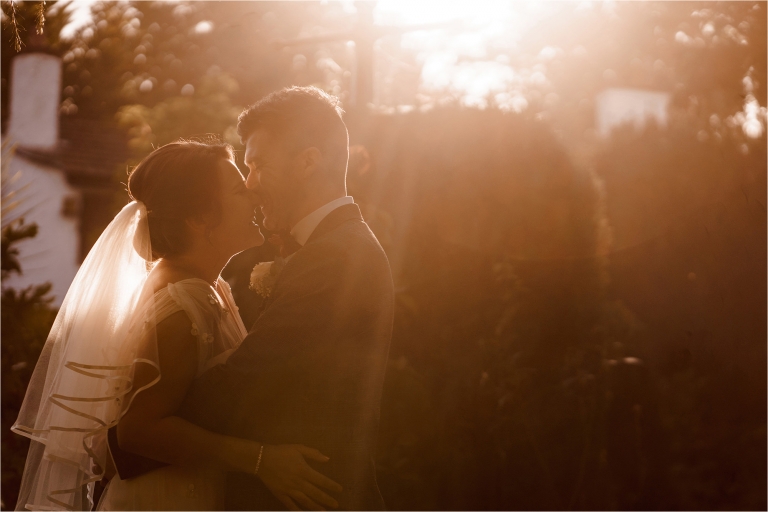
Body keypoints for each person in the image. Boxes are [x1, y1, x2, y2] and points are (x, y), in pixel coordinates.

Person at [12, 139, 341, 511]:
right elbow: (138, 431)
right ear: (199, 218)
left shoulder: (208, 287)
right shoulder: (183, 306)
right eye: (238, 189)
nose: (253, 193)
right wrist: (262, 460)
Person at [113, 86, 395, 510]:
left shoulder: (334, 257)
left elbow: (246, 382)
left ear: (308, 162)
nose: (251, 185)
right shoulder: (328, 248)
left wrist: (140, 431)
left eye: (258, 165)